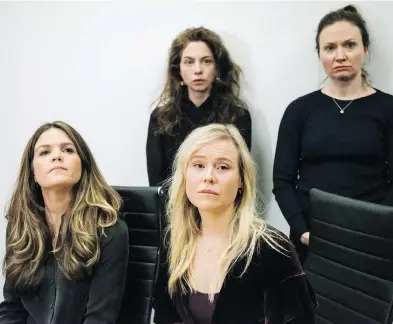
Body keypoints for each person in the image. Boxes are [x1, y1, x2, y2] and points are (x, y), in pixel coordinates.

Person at [153, 123, 317, 324]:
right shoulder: (174, 241)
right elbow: (164, 316)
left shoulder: (272, 249)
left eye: (223, 167)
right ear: (184, 175)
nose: (208, 177)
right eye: (198, 165)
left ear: (241, 180)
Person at [273, 4, 393, 264]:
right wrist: (302, 231)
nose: (340, 55)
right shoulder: (299, 110)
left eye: (349, 45)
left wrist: (376, 228)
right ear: (320, 54)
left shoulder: (388, 109)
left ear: (365, 50)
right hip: (312, 237)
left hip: (373, 239)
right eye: (330, 48)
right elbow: (282, 181)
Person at [0, 121, 129, 324]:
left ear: (83, 165)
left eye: (68, 150)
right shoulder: (20, 228)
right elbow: (12, 310)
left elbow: (100, 318)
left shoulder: (109, 229)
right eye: (44, 152)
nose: (57, 156)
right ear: (33, 172)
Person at [146, 26, 252, 187]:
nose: (198, 70)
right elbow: (157, 183)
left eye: (206, 61)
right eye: (189, 62)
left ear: (217, 68)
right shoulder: (161, 118)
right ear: (178, 69)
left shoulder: (237, 116)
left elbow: (238, 177)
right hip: (173, 208)